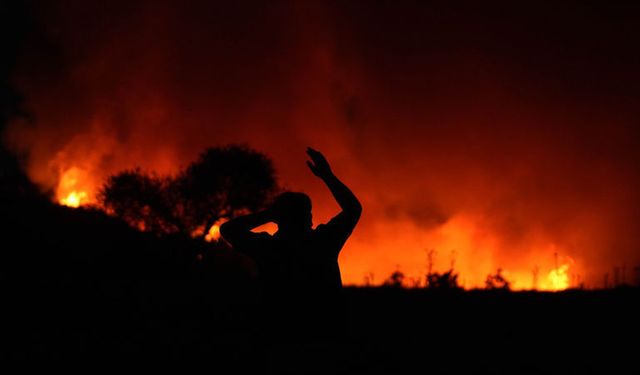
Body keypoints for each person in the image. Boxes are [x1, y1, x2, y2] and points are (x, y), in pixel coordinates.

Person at [220, 147, 362, 339]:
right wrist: (328, 177)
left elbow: (228, 230)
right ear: (309, 218)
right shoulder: (324, 241)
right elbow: (353, 209)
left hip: (278, 334)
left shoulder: (267, 248)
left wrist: (269, 214)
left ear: (279, 219)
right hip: (325, 334)